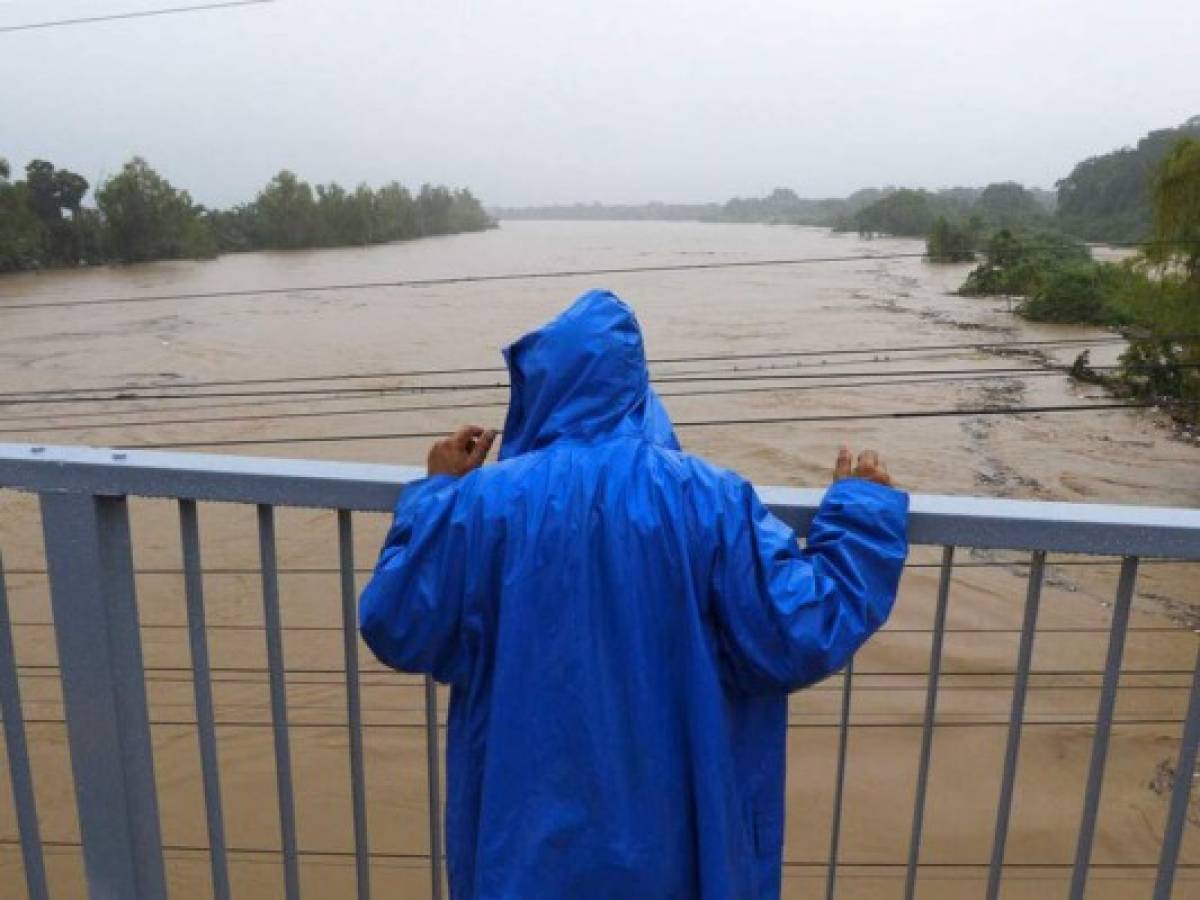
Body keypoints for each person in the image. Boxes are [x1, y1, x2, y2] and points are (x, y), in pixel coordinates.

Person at [359, 289, 909, 900]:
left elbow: (397, 621)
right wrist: (859, 517)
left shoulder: (483, 506)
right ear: (635, 387)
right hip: (676, 855)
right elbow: (799, 630)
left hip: (519, 859)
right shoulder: (710, 499)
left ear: (536, 391)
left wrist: (436, 495)